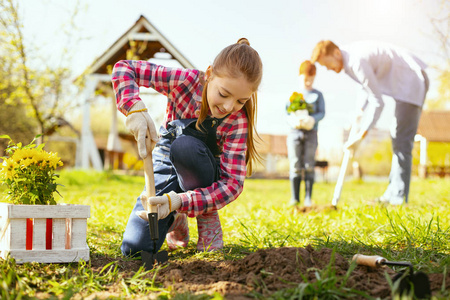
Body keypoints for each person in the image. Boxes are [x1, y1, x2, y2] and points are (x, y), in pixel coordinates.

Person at [111, 38, 263, 257]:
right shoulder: (186, 81)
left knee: (187, 147)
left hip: (200, 167)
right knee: (134, 250)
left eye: (241, 101)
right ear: (209, 74)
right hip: (165, 158)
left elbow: (232, 184)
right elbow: (125, 68)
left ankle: (205, 217)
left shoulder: (238, 121)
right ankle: (176, 221)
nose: (230, 107)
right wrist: (132, 107)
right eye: (223, 94)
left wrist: (180, 200)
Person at [311, 40, 429, 205]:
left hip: (411, 80)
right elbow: (366, 88)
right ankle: (392, 194)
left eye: (327, 64)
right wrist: (359, 111)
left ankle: (398, 197)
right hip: (405, 84)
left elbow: (378, 102)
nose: (328, 69)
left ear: (336, 53)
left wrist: (362, 134)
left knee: (402, 140)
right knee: (398, 139)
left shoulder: (356, 60)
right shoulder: (349, 62)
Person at [286, 60, 325, 207]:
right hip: (295, 132)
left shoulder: (318, 95)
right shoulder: (293, 95)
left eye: (311, 79)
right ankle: (295, 198)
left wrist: (312, 119)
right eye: (305, 79)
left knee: (309, 164)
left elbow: (322, 112)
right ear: (299, 76)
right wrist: (293, 121)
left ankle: (308, 198)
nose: (308, 82)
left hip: (311, 133)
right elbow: (286, 113)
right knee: (295, 164)